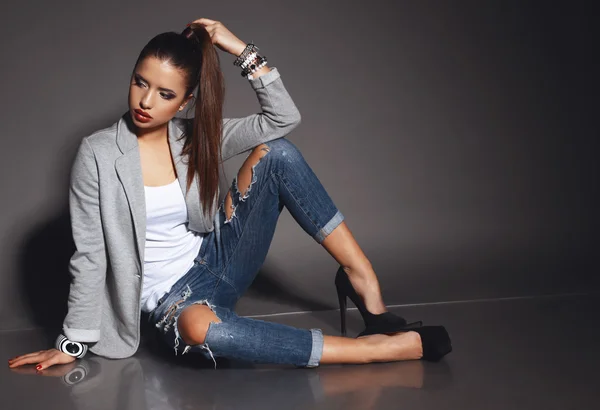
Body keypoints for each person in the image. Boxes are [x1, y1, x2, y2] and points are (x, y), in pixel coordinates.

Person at [8, 18, 452, 372]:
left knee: (276, 153)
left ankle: (361, 277)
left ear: (183, 103)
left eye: (164, 94)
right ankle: (375, 350)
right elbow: (90, 254)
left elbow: (283, 117)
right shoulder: (98, 154)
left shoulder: (193, 138)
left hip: (220, 257)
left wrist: (239, 48)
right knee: (203, 331)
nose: (146, 101)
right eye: (140, 82)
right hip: (172, 300)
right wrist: (73, 341)